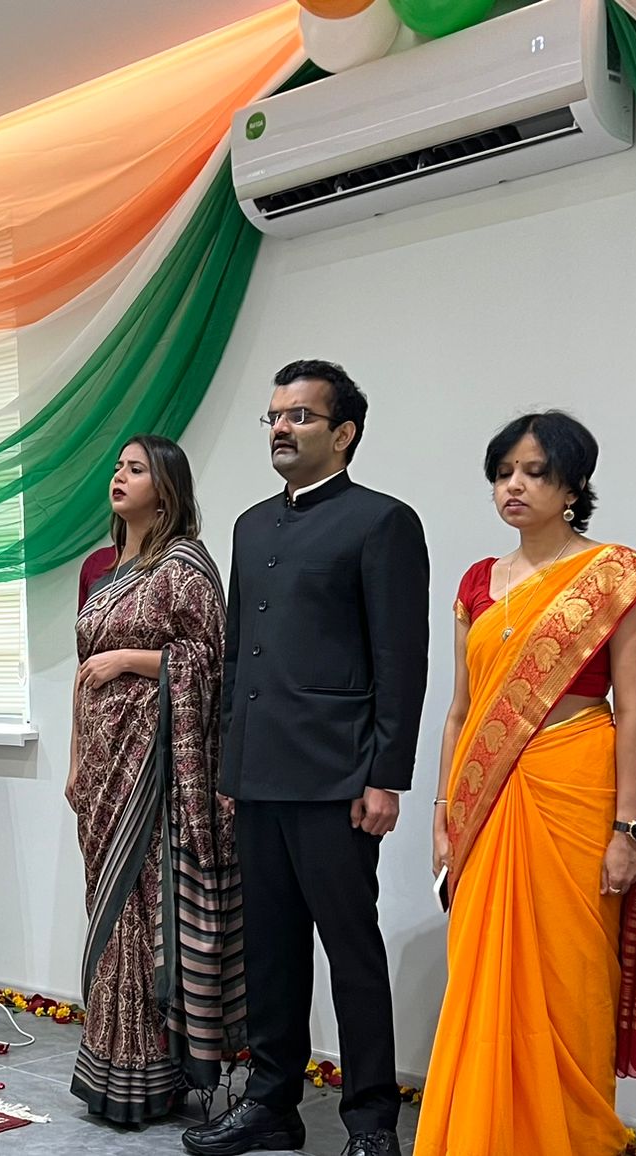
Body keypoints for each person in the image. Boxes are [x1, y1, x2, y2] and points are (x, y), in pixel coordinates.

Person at [415, 413, 636, 1156]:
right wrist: (442, 811)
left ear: (573, 488)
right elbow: (460, 711)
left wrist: (630, 830)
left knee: (572, 976)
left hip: (577, 786)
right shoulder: (478, 581)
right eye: (503, 472)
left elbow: (635, 712)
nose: (515, 485)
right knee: (482, 974)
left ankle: (571, 1137)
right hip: (484, 798)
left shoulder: (615, 579)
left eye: (534, 472)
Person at [182, 360, 429, 1156]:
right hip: (259, 777)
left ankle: (371, 1122)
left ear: (344, 432)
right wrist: (232, 767)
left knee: (352, 953)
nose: (281, 429)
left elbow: (401, 661)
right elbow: (236, 659)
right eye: (274, 417)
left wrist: (386, 775)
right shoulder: (252, 526)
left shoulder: (382, 522)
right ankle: (271, 1105)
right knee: (271, 952)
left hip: (338, 779)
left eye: (300, 416)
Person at [68, 435, 245, 1125]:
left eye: (135, 469)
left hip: (161, 773)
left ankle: (153, 1073)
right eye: (117, 466)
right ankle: (110, 1063)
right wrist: (76, 760)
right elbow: (81, 670)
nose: (119, 476)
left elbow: (211, 660)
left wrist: (129, 661)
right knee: (109, 913)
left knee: (146, 910)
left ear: (165, 490)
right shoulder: (99, 569)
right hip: (103, 768)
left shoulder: (184, 567)